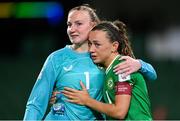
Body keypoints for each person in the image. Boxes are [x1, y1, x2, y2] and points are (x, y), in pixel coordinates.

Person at [23, 4, 155, 120]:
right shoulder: (56, 58)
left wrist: (141, 64)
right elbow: (36, 102)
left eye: (78, 24)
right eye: (69, 24)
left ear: (92, 25)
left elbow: (150, 76)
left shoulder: (104, 57)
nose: (72, 29)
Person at [62, 20, 152, 120]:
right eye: (90, 44)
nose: (91, 49)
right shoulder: (108, 70)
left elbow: (119, 112)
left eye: (97, 44)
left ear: (114, 46)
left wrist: (87, 100)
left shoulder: (122, 67)